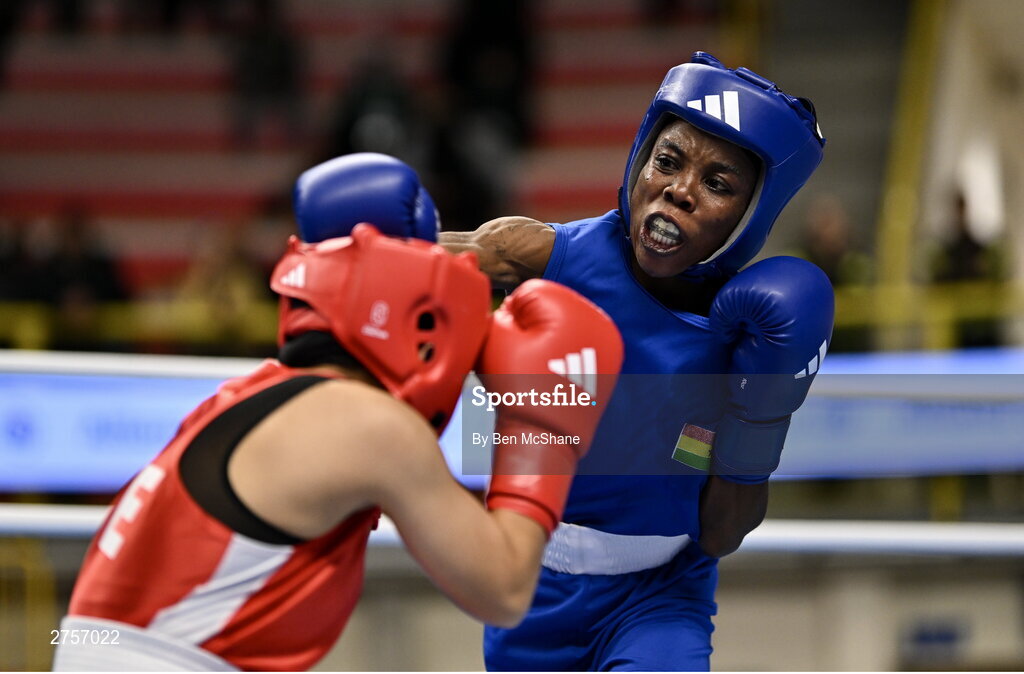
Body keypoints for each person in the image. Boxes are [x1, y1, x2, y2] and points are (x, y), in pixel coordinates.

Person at [52, 157, 624, 671]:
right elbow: (502, 587)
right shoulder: (368, 426)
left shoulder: (252, 394)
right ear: (423, 312)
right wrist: (542, 416)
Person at [438, 51, 835, 670]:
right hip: (529, 585)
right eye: (668, 161)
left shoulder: (747, 332)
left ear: (753, 212)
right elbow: (405, 272)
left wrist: (763, 417)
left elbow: (722, 535)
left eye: (718, 183)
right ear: (639, 161)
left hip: (660, 596)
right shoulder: (545, 255)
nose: (679, 190)